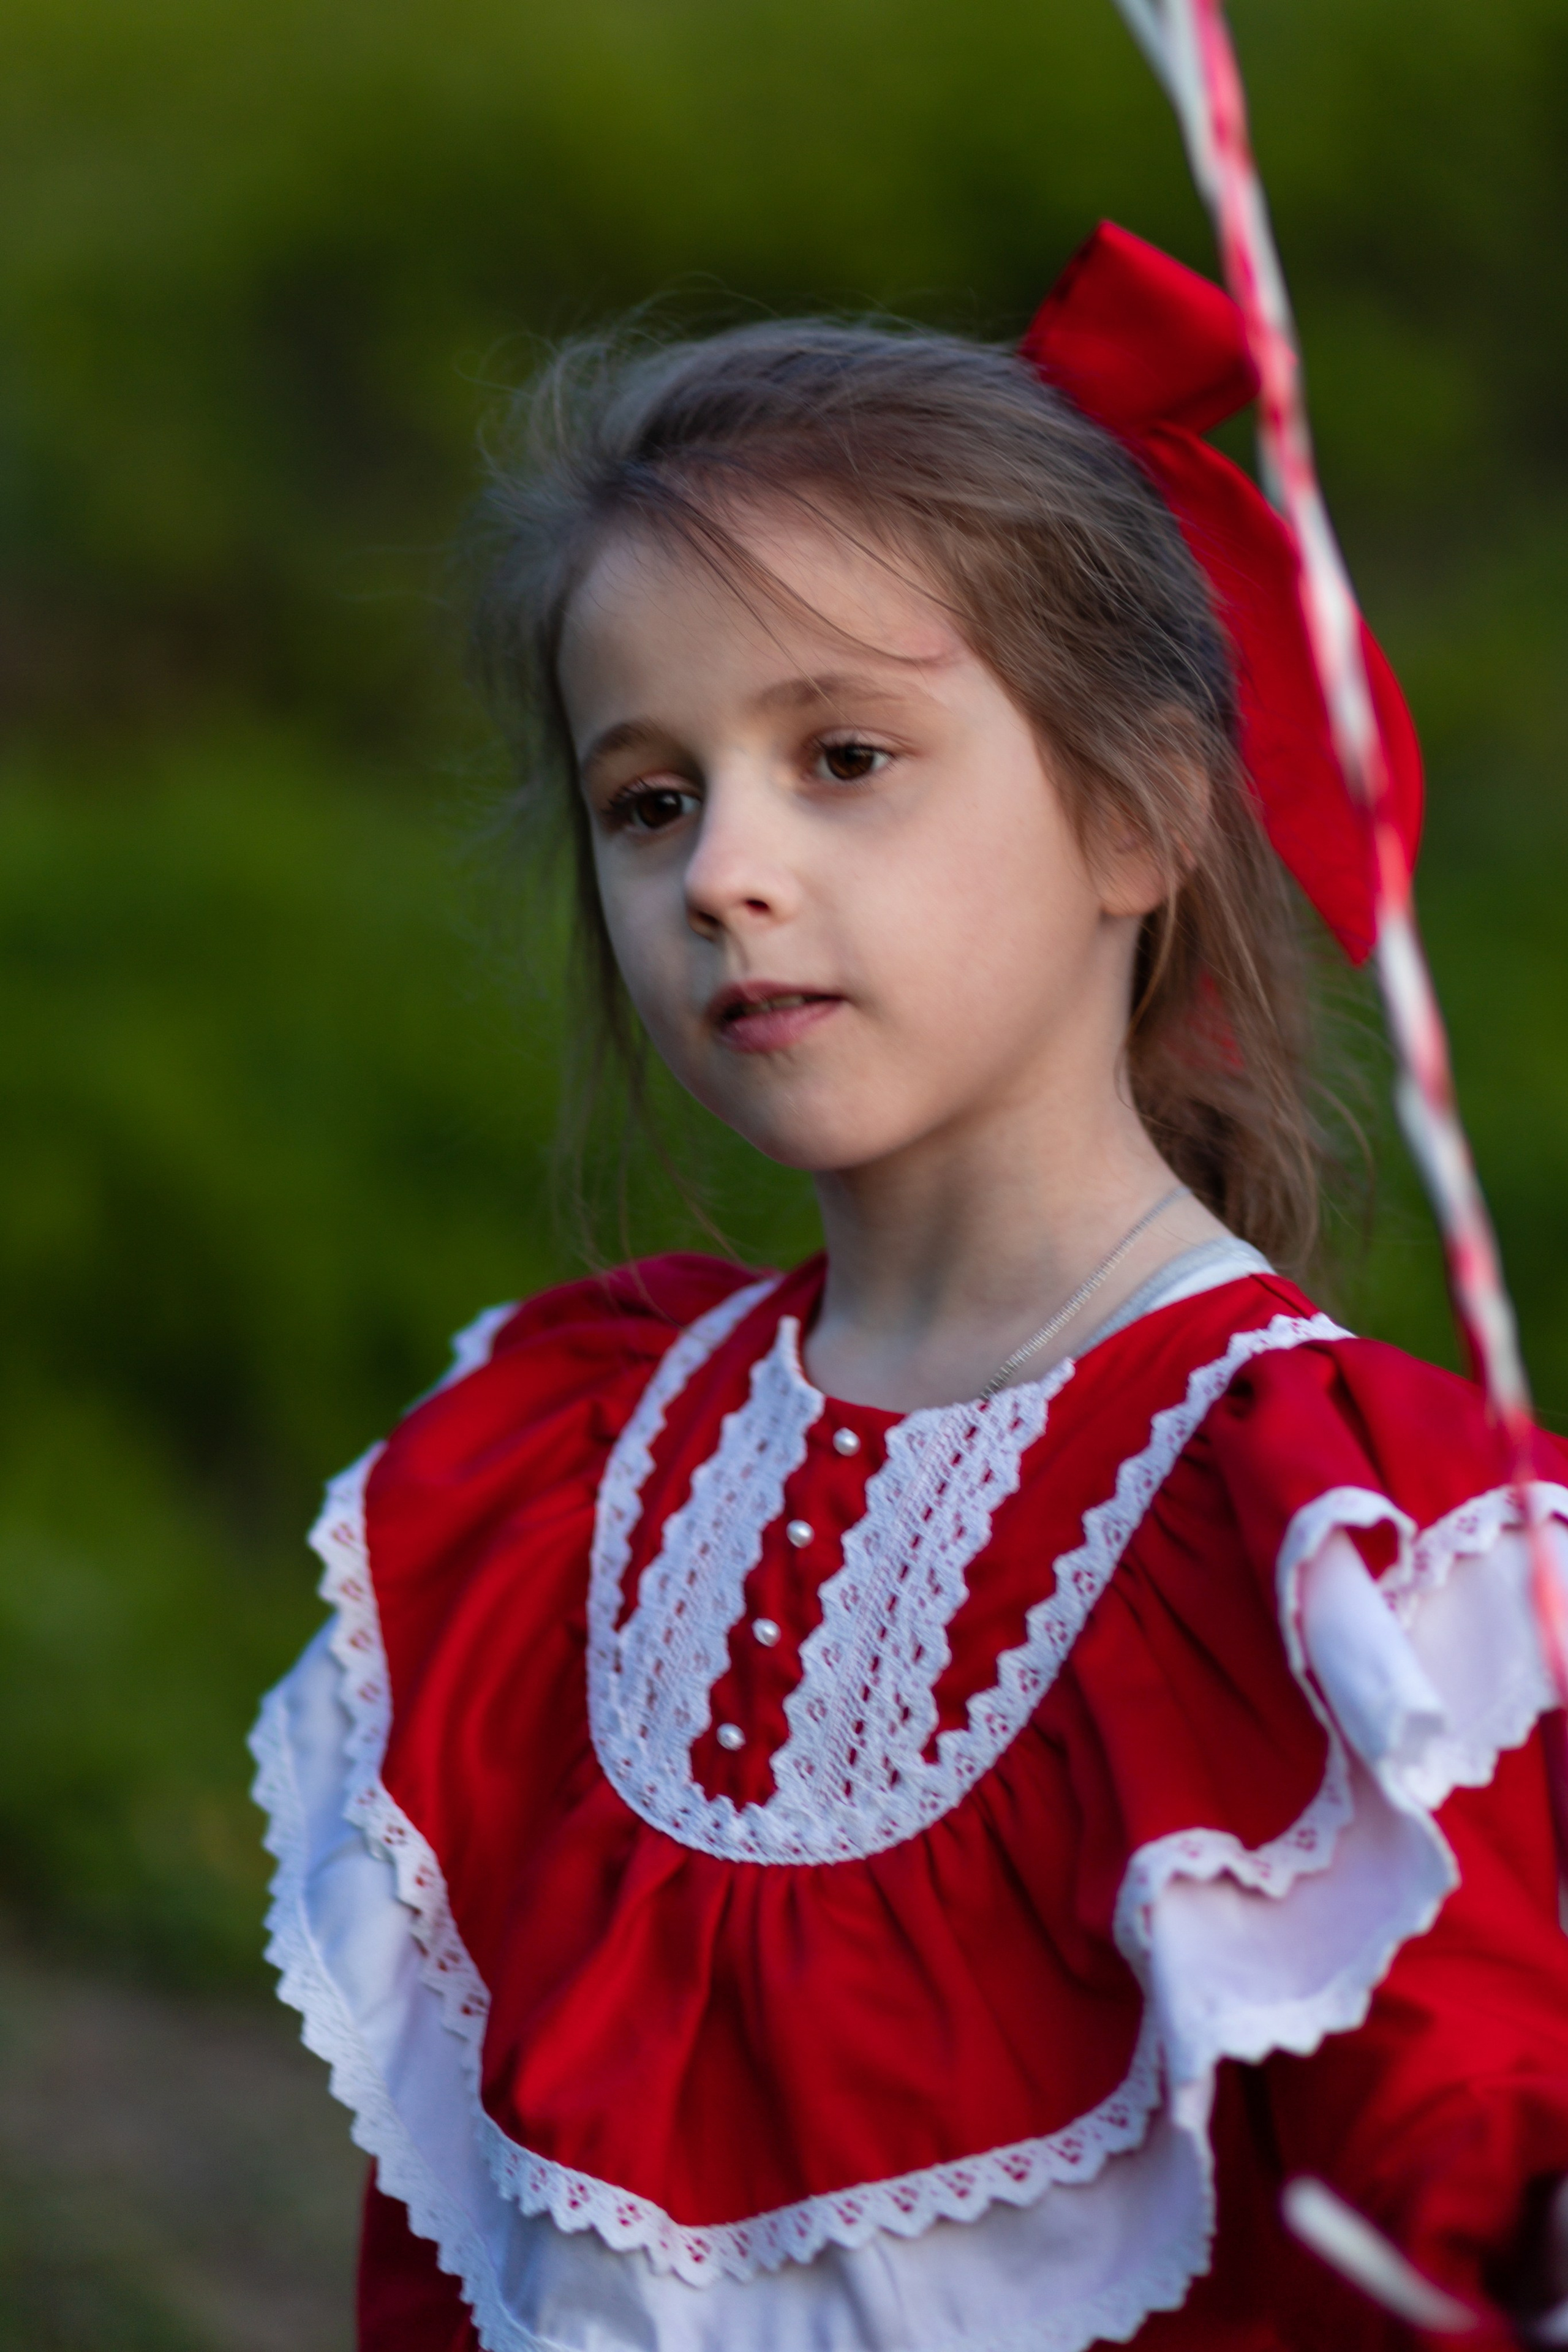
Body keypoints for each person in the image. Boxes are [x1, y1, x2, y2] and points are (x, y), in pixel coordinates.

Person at [251, 224, 1568, 2351]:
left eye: (844, 758)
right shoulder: (553, 1487)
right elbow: (445, 2265)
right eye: (649, 799)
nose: (723, 873)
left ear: (1137, 815)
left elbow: (1459, 2166)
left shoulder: (1364, 1539)